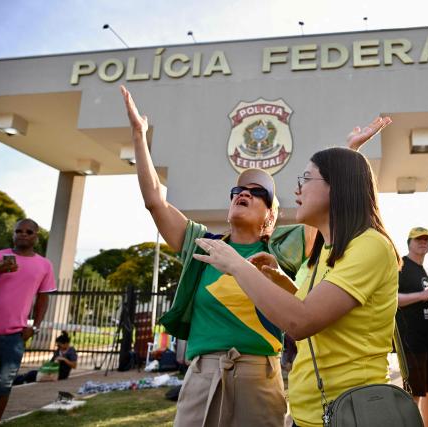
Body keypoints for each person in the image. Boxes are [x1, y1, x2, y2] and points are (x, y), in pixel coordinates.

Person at [119, 86, 390, 427]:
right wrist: (139, 136)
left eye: (258, 192)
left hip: (259, 377)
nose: (244, 193)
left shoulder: (285, 249)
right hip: (202, 375)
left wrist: (350, 152)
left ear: (271, 217)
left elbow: (332, 204)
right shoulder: (205, 246)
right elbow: (155, 200)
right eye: (238, 190)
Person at [195, 146, 401, 427]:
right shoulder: (328, 250)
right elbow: (314, 308)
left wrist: (236, 264)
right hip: (310, 414)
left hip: (350, 412)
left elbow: (301, 321)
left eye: (306, 179)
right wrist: (279, 277)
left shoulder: (370, 245)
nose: (297, 190)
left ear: (337, 186)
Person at [0, 219, 56, 427]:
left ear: (36, 236)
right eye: (18, 231)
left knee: (2, 386)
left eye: (28, 231)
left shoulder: (44, 265)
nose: (22, 234)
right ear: (13, 234)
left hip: (13, 337)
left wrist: (35, 326)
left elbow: (43, 298)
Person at [397, 226, 428, 427]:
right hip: (411, 340)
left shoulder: (423, 270)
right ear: (409, 242)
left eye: (426, 239)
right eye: (419, 239)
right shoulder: (402, 266)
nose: (423, 242)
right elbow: (393, 299)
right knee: (413, 393)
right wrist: (424, 295)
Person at [13, 331, 78, 384]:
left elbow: (74, 365)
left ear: (66, 343)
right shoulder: (59, 350)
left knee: (32, 374)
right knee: (31, 373)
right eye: (57, 345)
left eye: (59, 345)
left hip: (60, 374)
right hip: (52, 371)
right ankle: (15, 380)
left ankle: (17, 381)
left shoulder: (71, 351)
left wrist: (64, 359)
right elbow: (52, 361)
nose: (58, 347)